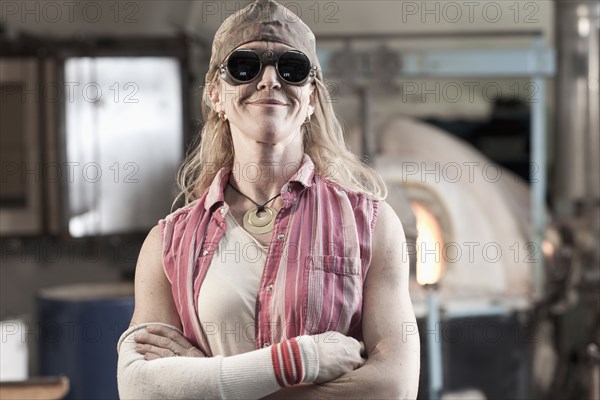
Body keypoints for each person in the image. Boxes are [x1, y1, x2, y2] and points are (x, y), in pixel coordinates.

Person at [116, 0, 420, 398]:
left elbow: (394, 388)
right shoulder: (168, 245)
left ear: (312, 97)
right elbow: (142, 389)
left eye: (291, 68)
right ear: (216, 96)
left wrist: (210, 382)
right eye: (245, 66)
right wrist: (303, 360)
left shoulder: (373, 225)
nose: (270, 80)